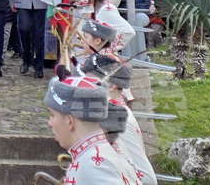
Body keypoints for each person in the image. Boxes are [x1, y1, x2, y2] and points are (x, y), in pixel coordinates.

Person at [83, 54, 158, 185]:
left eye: (90, 81)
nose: (83, 87)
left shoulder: (119, 120)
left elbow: (147, 178)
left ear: (110, 85)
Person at [43, 75, 128, 184]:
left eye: (52, 115)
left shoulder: (94, 164)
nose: (49, 123)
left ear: (69, 121)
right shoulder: (93, 154)